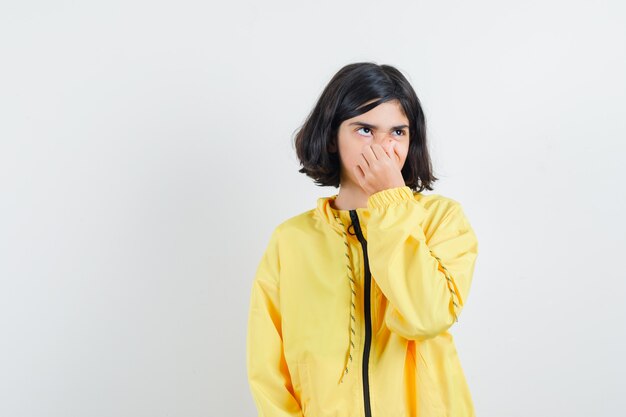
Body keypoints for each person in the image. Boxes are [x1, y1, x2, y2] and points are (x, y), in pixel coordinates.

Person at [246, 62, 479, 417]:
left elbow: (425, 316)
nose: (384, 148)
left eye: (398, 132)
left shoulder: (441, 221)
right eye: (365, 130)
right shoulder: (290, 241)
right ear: (331, 136)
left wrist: (391, 203)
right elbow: (268, 373)